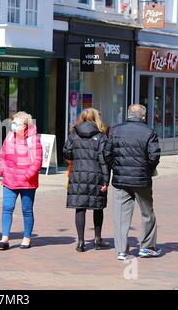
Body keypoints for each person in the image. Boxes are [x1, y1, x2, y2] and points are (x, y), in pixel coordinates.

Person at [105, 104, 161, 260]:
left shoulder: (115, 130)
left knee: (120, 216)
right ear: (143, 117)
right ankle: (147, 247)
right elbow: (154, 156)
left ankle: (122, 250)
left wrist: (116, 167)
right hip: (141, 179)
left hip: (120, 179)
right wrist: (147, 169)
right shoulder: (149, 132)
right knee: (147, 213)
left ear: (129, 114)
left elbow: (106, 154)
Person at [63, 108, 110, 253]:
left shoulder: (73, 134)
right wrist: (106, 181)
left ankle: (81, 242)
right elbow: (105, 159)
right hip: (96, 174)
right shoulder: (101, 136)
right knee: (98, 207)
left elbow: (67, 153)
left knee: (80, 207)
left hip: (78, 174)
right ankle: (97, 239)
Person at [0, 112, 43, 250]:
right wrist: (3, 170)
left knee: (27, 210)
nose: (14, 125)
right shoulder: (10, 137)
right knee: (7, 209)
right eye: (13, 122)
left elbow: (38, 161)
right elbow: (2, 155)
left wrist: (26, 176)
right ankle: (5, 238)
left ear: (26, 126)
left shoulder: (33, 140)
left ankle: (27, 238)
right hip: (9, 179)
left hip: (27, 183)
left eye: (17, 123)